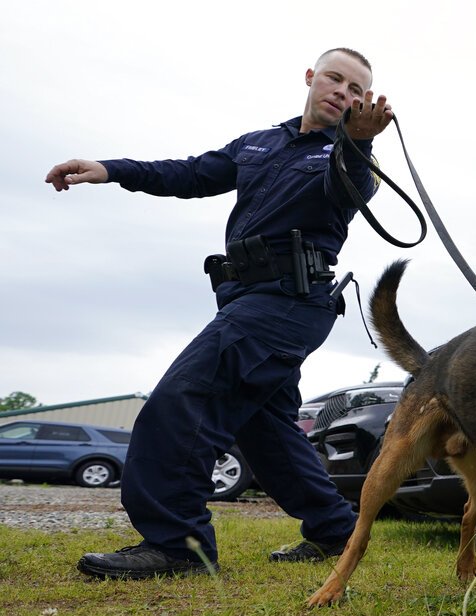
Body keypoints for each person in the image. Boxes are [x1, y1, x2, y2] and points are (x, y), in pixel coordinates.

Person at [44, 47, 393, 579]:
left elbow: (347, 189)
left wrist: (359, 142)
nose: (342, 92)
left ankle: (178, 544)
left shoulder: (352, 157)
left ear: (363, 103)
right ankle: (335, 530)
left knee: (185, 399)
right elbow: (191, 174)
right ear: (310, 77)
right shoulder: (258, 143)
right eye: (334, 79)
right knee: (264, 426)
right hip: (243, 295)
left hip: (288, 303)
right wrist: (110, 169)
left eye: (355, 90)